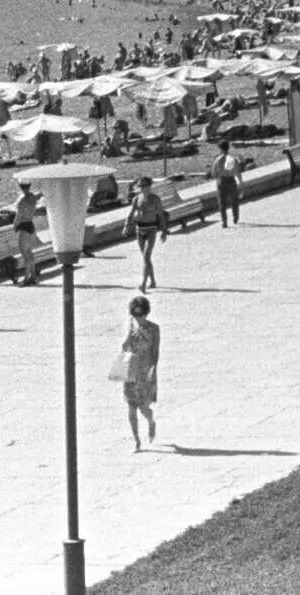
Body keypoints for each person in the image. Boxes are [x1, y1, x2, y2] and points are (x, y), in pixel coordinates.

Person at [120, 295, 162, 451]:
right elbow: (124, 348)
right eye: (135, 315)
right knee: (131, 407)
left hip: (145, 372)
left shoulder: (154, 329)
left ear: (146, 313)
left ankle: (151, 422)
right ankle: (136, 440)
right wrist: (128, 338)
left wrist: (153, 371)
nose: (138, 318)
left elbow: (156, 352)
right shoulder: (131, 327)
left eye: (141, 315)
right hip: (131, 370)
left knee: (144, 407)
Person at [129, 177, 168, 290]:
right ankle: (153, 281)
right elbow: (131, 213)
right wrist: (126, 225)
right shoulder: (136, 199)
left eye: (144, 186)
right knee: (146, 258)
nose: (142, 188)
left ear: (150, 186)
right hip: (139, 229)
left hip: (151, 229)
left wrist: (164, 231)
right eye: (140, 186)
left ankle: (143, 283)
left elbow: (161, 215)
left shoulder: (155, 199)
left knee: (146, 256)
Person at [9, 182, 43, 287]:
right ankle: (33, 277)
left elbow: (18, 216)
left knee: (25, 254)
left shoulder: (21, 200)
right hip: (30, 225)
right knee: (29, 252)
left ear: (21, 188)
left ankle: (26, 278)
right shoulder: (33, 197)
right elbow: (38, 195)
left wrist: (14, 226)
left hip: (23, 227)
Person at [211, 140, 244, 227]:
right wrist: (241, 183)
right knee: (234, 200)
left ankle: (224, 221)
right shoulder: (233, 159)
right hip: (231, 180)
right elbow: (238, 172)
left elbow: (213, 173)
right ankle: (235, 217)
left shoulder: (217, 160)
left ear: (220, 149)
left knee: (222, 202)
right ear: (228, 148)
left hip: (221, 181)